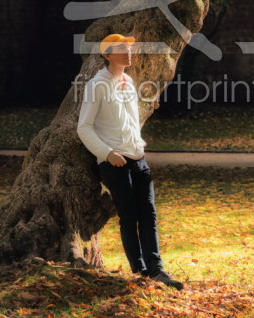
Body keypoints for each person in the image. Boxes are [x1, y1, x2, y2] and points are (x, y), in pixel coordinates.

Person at [77, 33, 183, 290]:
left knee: (149, 213)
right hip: (114, 160)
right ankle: (141, 269)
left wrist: (148, 104)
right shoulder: (96, 85)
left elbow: (126, 120)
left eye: (129, 48)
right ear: (107, 55)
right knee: (130, 215)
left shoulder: (128, 81)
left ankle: (157, 270)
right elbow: (84, 127)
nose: (128, 52)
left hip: (138, 157)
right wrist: (106, 153)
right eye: (121, 49)